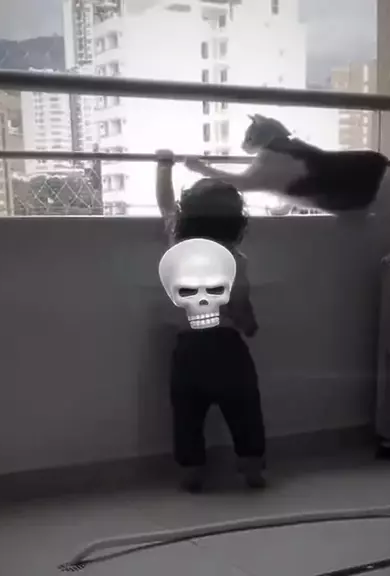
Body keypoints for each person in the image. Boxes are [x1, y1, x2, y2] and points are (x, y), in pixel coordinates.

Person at [156, 150, 266, 492]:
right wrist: (249, 324)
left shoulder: (178, 246)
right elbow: (239, 302)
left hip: (188, 346)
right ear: (237, 222)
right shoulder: (235, 259)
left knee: (187, 412)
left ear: (186, 217)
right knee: (244, 408)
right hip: (226, 345)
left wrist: (164, 165)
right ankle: (251, 467)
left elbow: (165, 204)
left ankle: (192, 471)